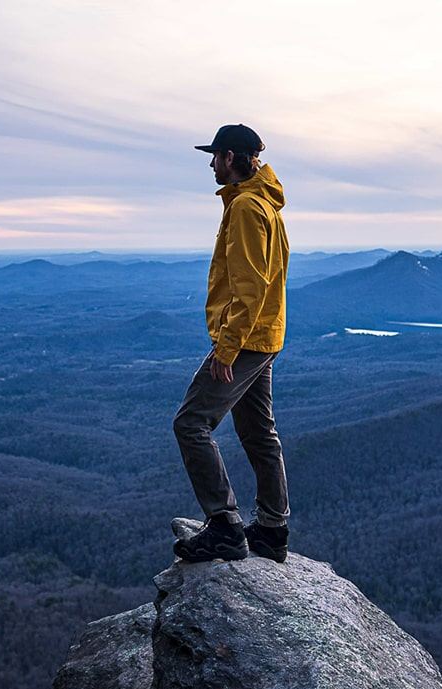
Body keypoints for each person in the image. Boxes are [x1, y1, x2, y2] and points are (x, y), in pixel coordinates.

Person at [172, 123, 291, 564]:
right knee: (260, 433)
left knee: (190, 423)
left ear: (232, 158)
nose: (211, 163)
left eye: (216, 155)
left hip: (244, 340)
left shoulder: (244, 206)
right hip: (266, 336)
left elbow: (250, 285)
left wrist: (226, 348)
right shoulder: (266, 204)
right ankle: (273, 530)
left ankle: (224, 527)